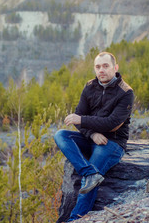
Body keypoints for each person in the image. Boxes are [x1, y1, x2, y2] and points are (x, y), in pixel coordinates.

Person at [54, 52, 134, 222]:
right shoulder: (90, 86)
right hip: (92, 138)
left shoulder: (126, 92)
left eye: (105, 66)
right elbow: (78, 119)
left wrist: (82, 120)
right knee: (61, 135)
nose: (101, 70)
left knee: (89, 177)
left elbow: (111, 123)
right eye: (98, 67)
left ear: (115, 67)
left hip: (112, 143)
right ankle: (90, 174)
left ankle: (75, 219)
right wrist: (92, 133)